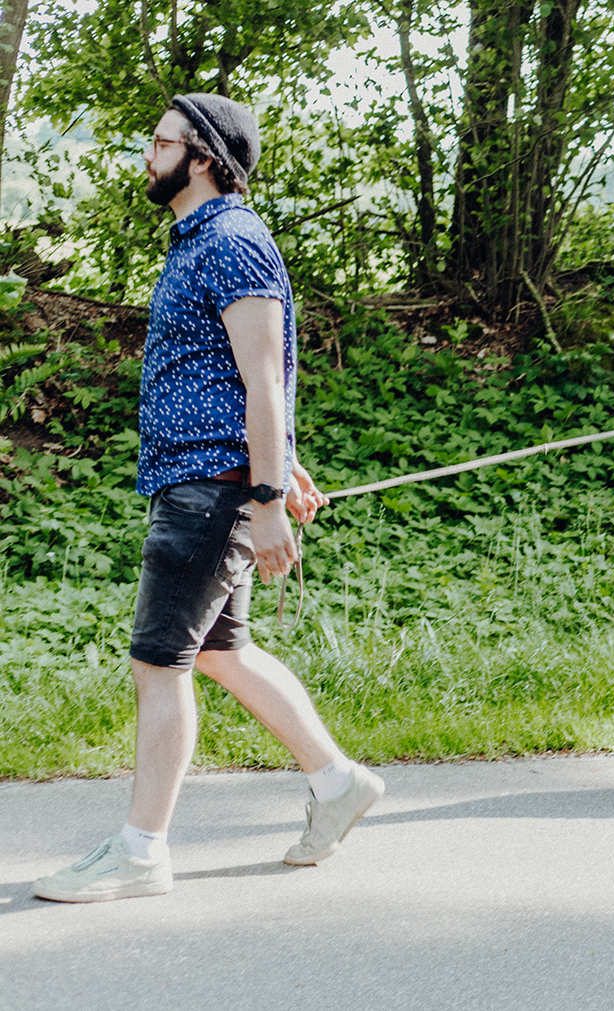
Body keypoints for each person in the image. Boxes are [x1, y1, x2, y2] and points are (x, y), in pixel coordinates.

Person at [33, 94, 383, 903]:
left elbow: (266, 376)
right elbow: (245, 381)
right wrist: (277, 466)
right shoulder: (197, 241)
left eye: (159, 141)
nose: (146, 155)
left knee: (159, 664)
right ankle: (337, 784)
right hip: (208, 479)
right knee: (222, 652)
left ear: (203, 157)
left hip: (209, 489)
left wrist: (264, 493)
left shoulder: (232, 240)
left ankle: (140, 851)